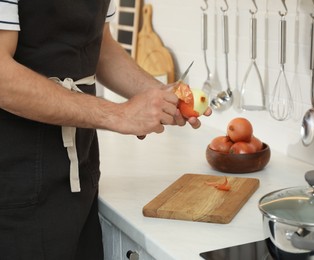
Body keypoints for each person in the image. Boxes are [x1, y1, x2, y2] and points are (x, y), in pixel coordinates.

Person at [0, 1, 211, 259]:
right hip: (14, 179)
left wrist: (159, 95)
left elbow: (102, 48)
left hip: (79, 172)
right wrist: (119, 114)